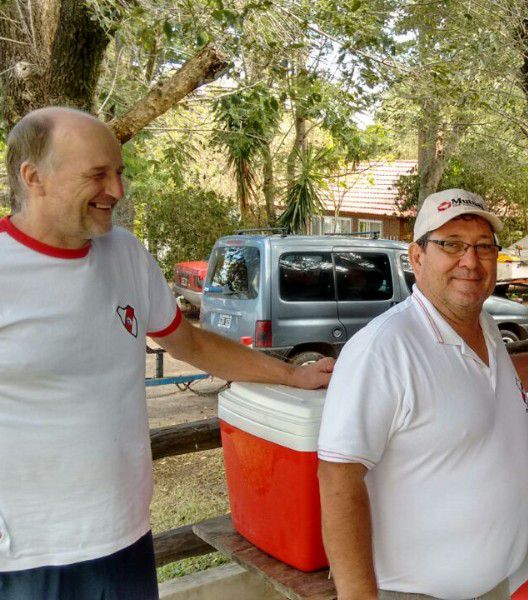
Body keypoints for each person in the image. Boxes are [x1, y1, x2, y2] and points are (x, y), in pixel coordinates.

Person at [0, 107, 334, 598]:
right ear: (34, 178)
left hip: (124, 536)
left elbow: (191, 343)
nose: (116, 190)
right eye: (98, 174)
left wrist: (292, 376)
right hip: (27, 555)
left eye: (119, 173)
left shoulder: (125, 253)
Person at [317, 188, 528, 600]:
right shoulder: (383, 348)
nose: (470, 261)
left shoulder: (484, 327)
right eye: (451, 244)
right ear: (416, 257)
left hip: (493, 583)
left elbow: (500, 382)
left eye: (483, 247)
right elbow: (337, 480)